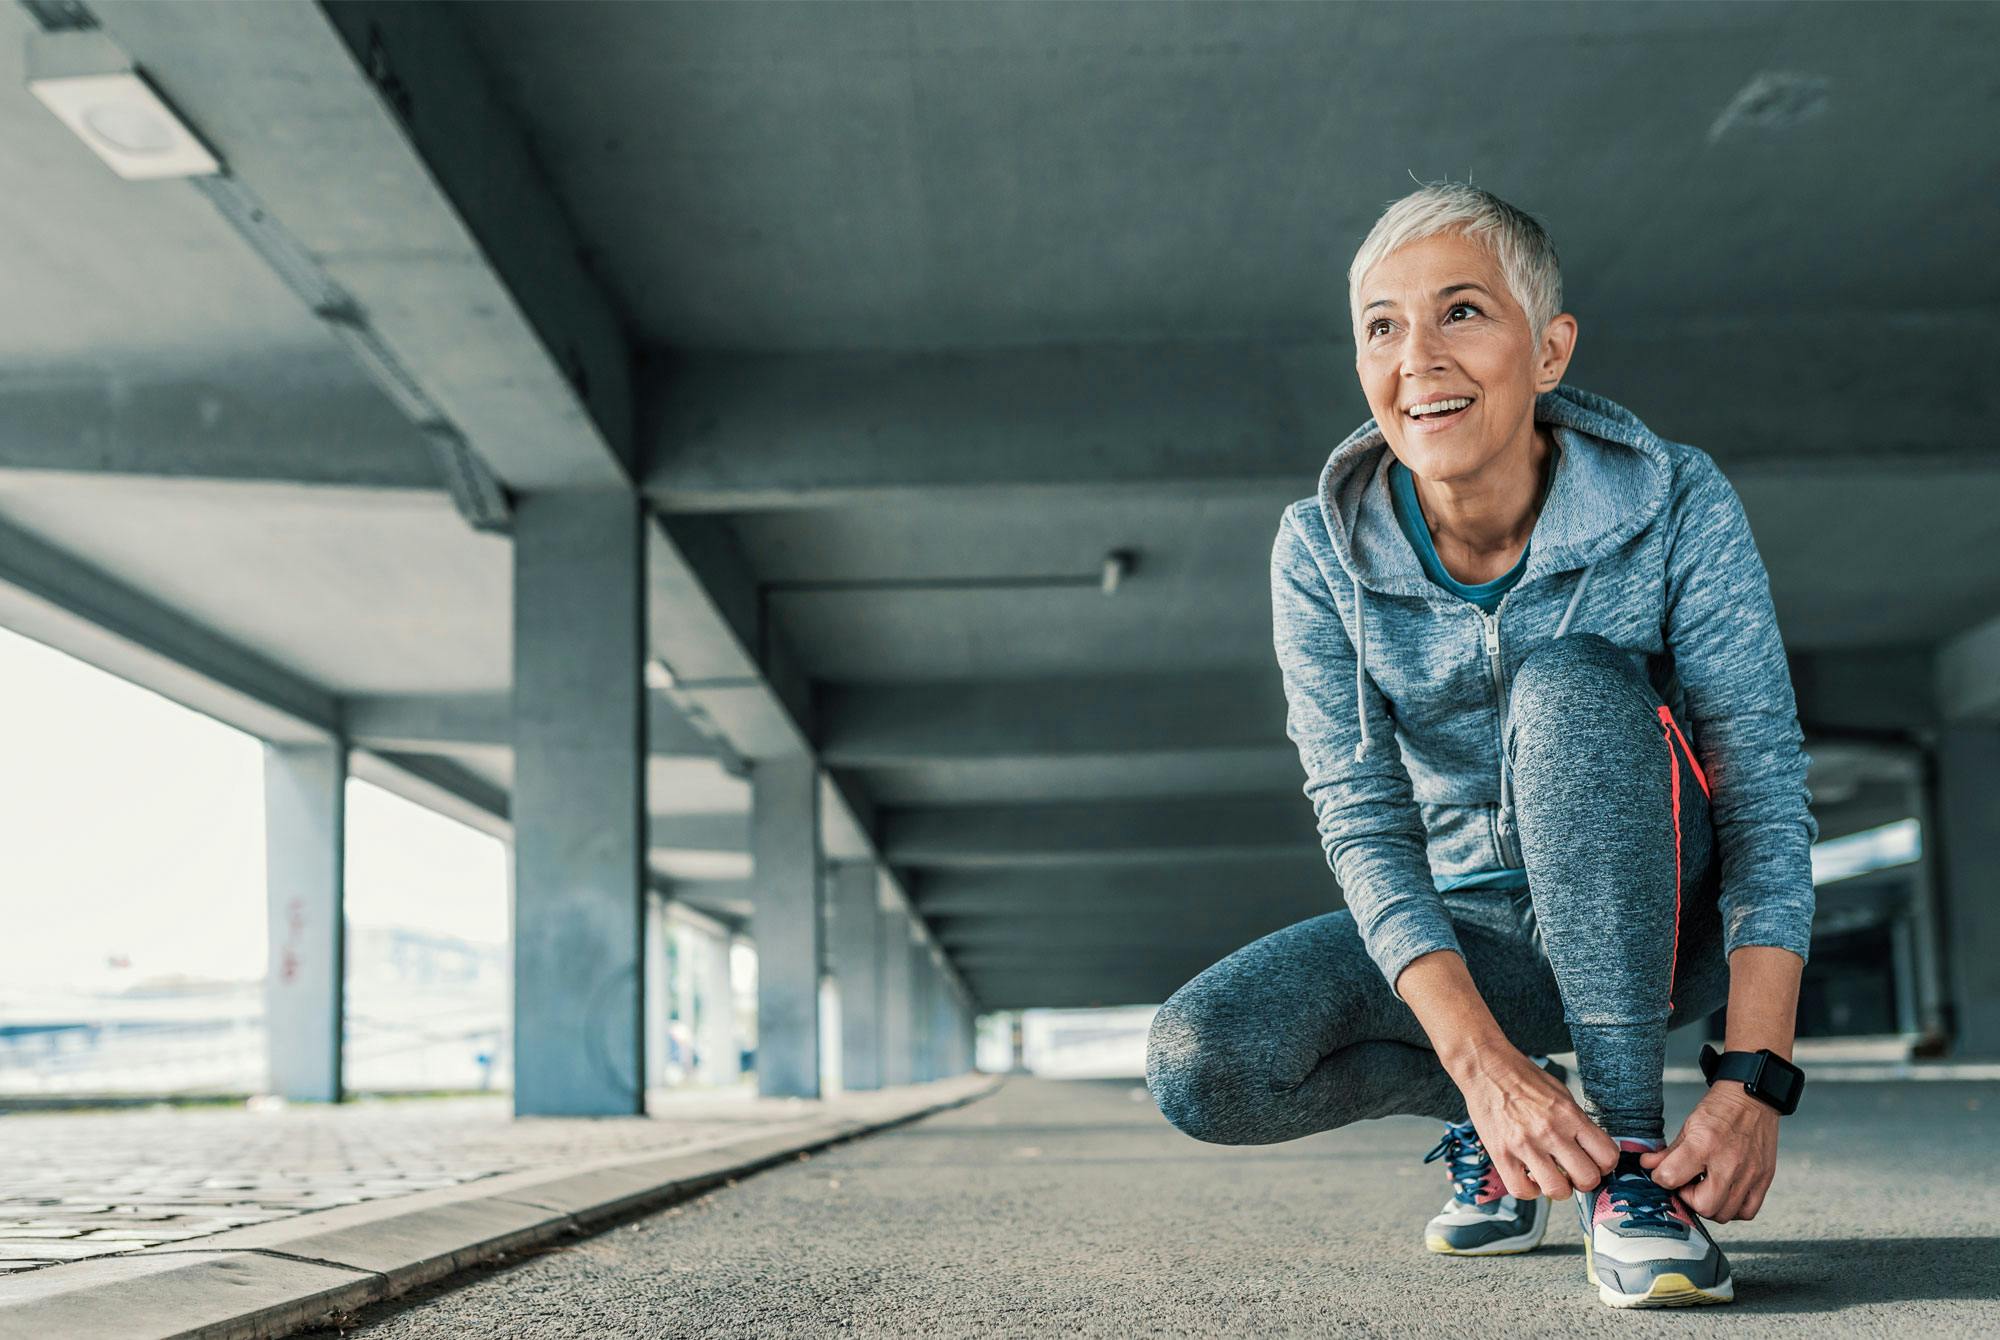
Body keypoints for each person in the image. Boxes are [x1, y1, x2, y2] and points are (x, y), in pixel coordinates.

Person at [1143, 182, 1817, 1310]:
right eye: (1380, 325)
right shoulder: (1319, 549)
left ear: (1548, 349)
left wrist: (1754, 1077)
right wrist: (1483, 1070)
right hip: (1478, 944)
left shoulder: (1674, 500)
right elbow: (1360, 809)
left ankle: (1635, 1173)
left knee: (1563, 685)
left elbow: (1758, 783)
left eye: (1460, 311)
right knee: (1204, 1063)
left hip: (1662, 921)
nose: (1418, 357)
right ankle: (1512, 1127)